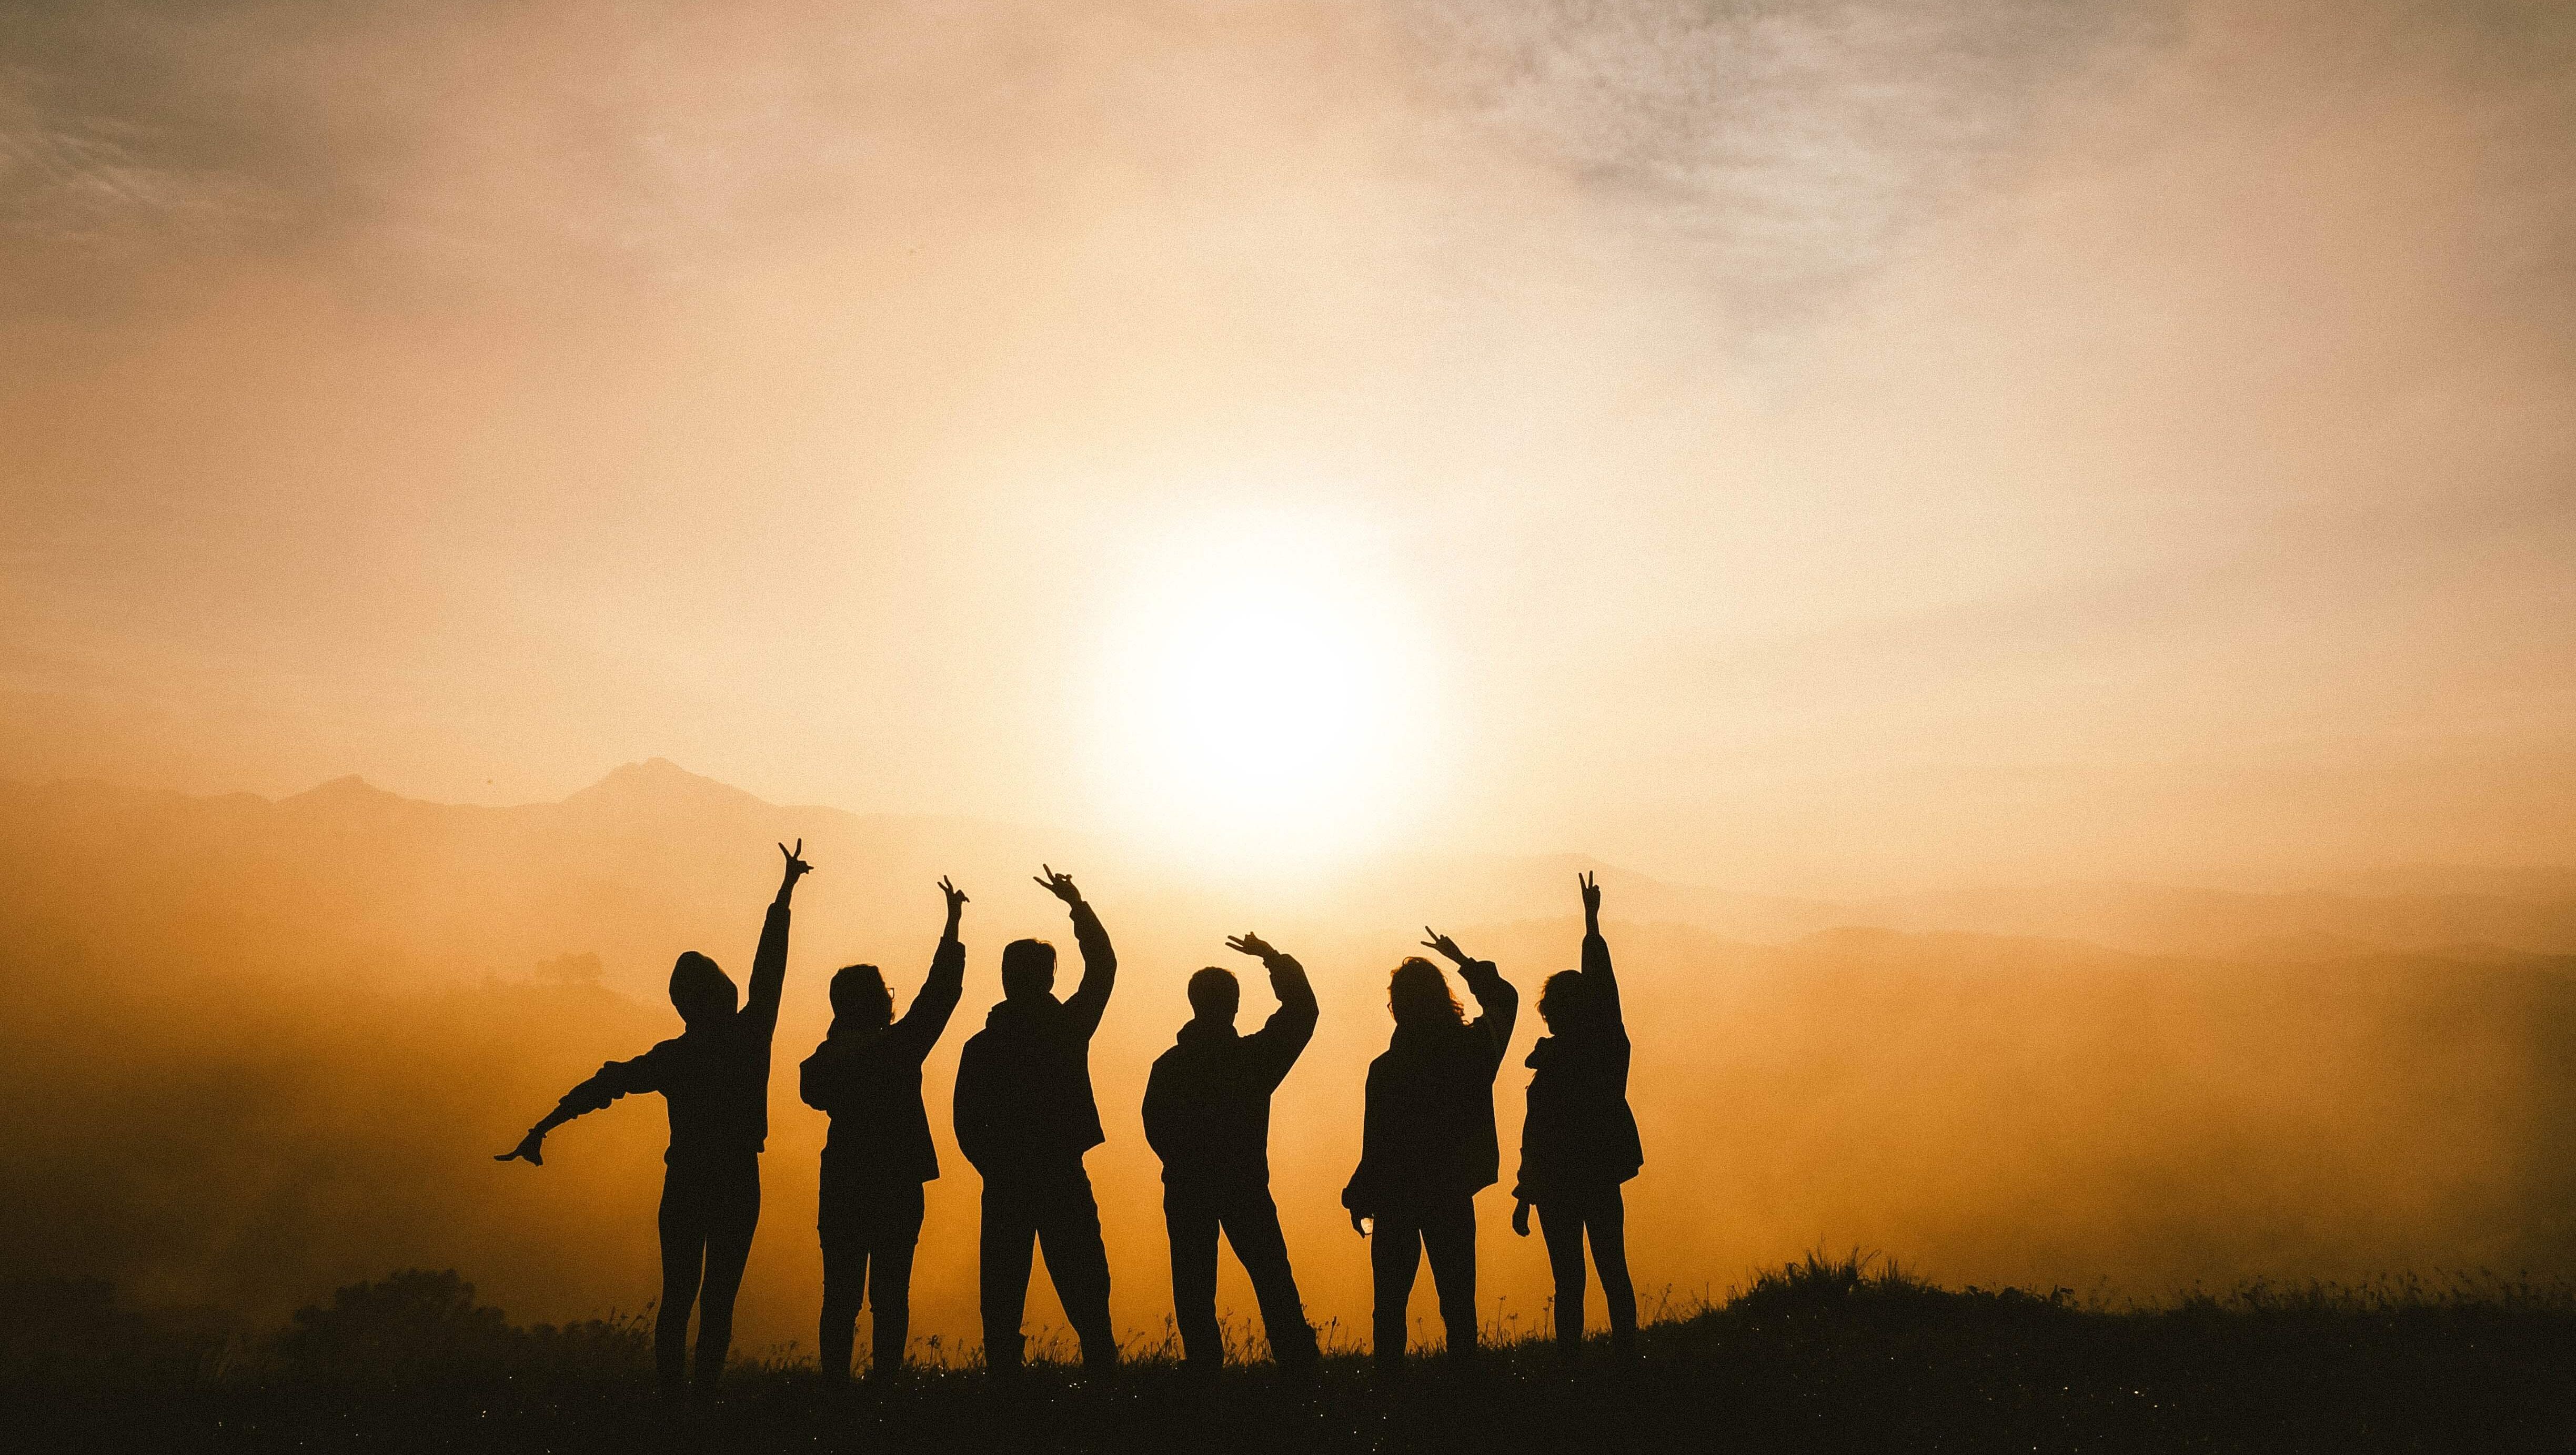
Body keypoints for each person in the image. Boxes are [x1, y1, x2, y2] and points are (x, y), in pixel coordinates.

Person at [497, 841, 812, 1397]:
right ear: (722, 993)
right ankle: (704, 1400)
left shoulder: (673, 1058)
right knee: (719, 1299)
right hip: (738, 1178)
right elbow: (771, 965)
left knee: (678, 1296)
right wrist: (784, 894)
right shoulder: (749, 1037)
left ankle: (672, 1402)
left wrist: (543, 1127)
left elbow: (604, 1085)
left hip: (687, 1180)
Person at [799, 876, 969, 1383]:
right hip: (898, 1183)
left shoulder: (826, 1060)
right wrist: (953, 927)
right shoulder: (899, 1048)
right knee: (891, 1296)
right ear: (880, 1002)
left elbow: (811, 1092)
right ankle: (886, 1386)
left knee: (840, 1296)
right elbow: (941, 995)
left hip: (844, 1183)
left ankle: (835, 1389)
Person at [952, 866, 1120, 1376]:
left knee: (1001, 1290)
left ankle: (1004, 1384)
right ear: (1048, 977)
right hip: (1061, 1173)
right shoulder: (1066, 1029)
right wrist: (1078, 904)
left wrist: (993, 1165)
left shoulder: (983, 1045)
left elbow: (965, 1122)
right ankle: (1102, 1374)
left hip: (1004, 1181)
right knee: (1085, 1283)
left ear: (1006, 978)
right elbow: (1104, 967)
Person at [1141, 933, 1321, 1375]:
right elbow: (1303, 1011)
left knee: (1193, 1283)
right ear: (1235, 1006)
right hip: (1245, 1186)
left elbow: (1155, 1126)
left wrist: (1182, 1164)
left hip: (1186, 1187)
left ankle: (1204, 1368)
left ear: (1193, 1004)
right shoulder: (1253, 1060)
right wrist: (1272, 959)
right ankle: (1298, 1363)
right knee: (1272, 1275)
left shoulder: (1169, 1066)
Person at [1342, 928, 1517, 1375]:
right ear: (1444, 999)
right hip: (1451, 1191)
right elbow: (1506, 1000)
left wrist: (1359, 1196)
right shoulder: (1474, 1051)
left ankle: (1388, 1390)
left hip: (1397, 1199)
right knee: (1458, 1300)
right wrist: (1462, 960)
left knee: (1390, 1306)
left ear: (1397, 1008)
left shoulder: (1385, 1070)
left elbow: (1376, 1145)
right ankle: (1465, 1390)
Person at [1511, 872, 1642, 1359]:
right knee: (1612, 1268)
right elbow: (1607, 994)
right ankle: (1626, 1355)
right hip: (1598, 1175)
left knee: (1570, 1279)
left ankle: (1571, 1364)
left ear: (1549, 1012)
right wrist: (1590, 926)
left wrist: (1526, 1194)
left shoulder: (1559, 1062)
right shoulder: (1608, 1049)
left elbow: (1536, 1137)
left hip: (1557, 1186)